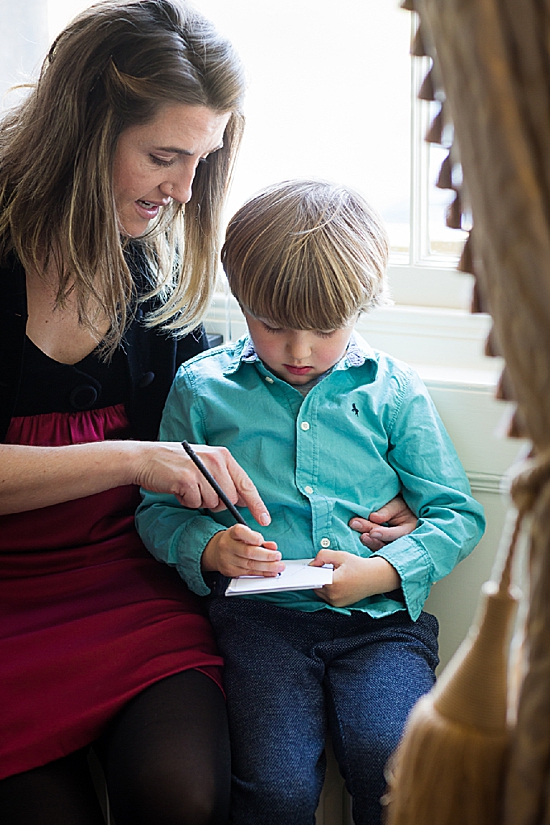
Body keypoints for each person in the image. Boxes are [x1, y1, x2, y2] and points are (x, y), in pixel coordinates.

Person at [0, 4, 415, 824]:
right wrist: (133, 458)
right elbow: (158, 459)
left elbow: (238, 426)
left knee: (183, 794)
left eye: (202, 159)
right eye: (163, 156)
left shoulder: (151, 280)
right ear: (86, 134)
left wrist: (375, 488)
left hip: (128, 587)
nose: (185, 190)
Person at [136, 179, 486, 825]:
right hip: (260, 625)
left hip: (380, 626)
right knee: (275, 787)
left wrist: (382, 571)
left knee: (396, 764)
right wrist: (209, 545)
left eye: (325, 329)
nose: (299, 351)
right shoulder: (204, 388)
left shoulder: (393, 391)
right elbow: (158, 511)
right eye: (272, 325)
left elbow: (456, 514)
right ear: (241, 301)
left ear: (363, 305)